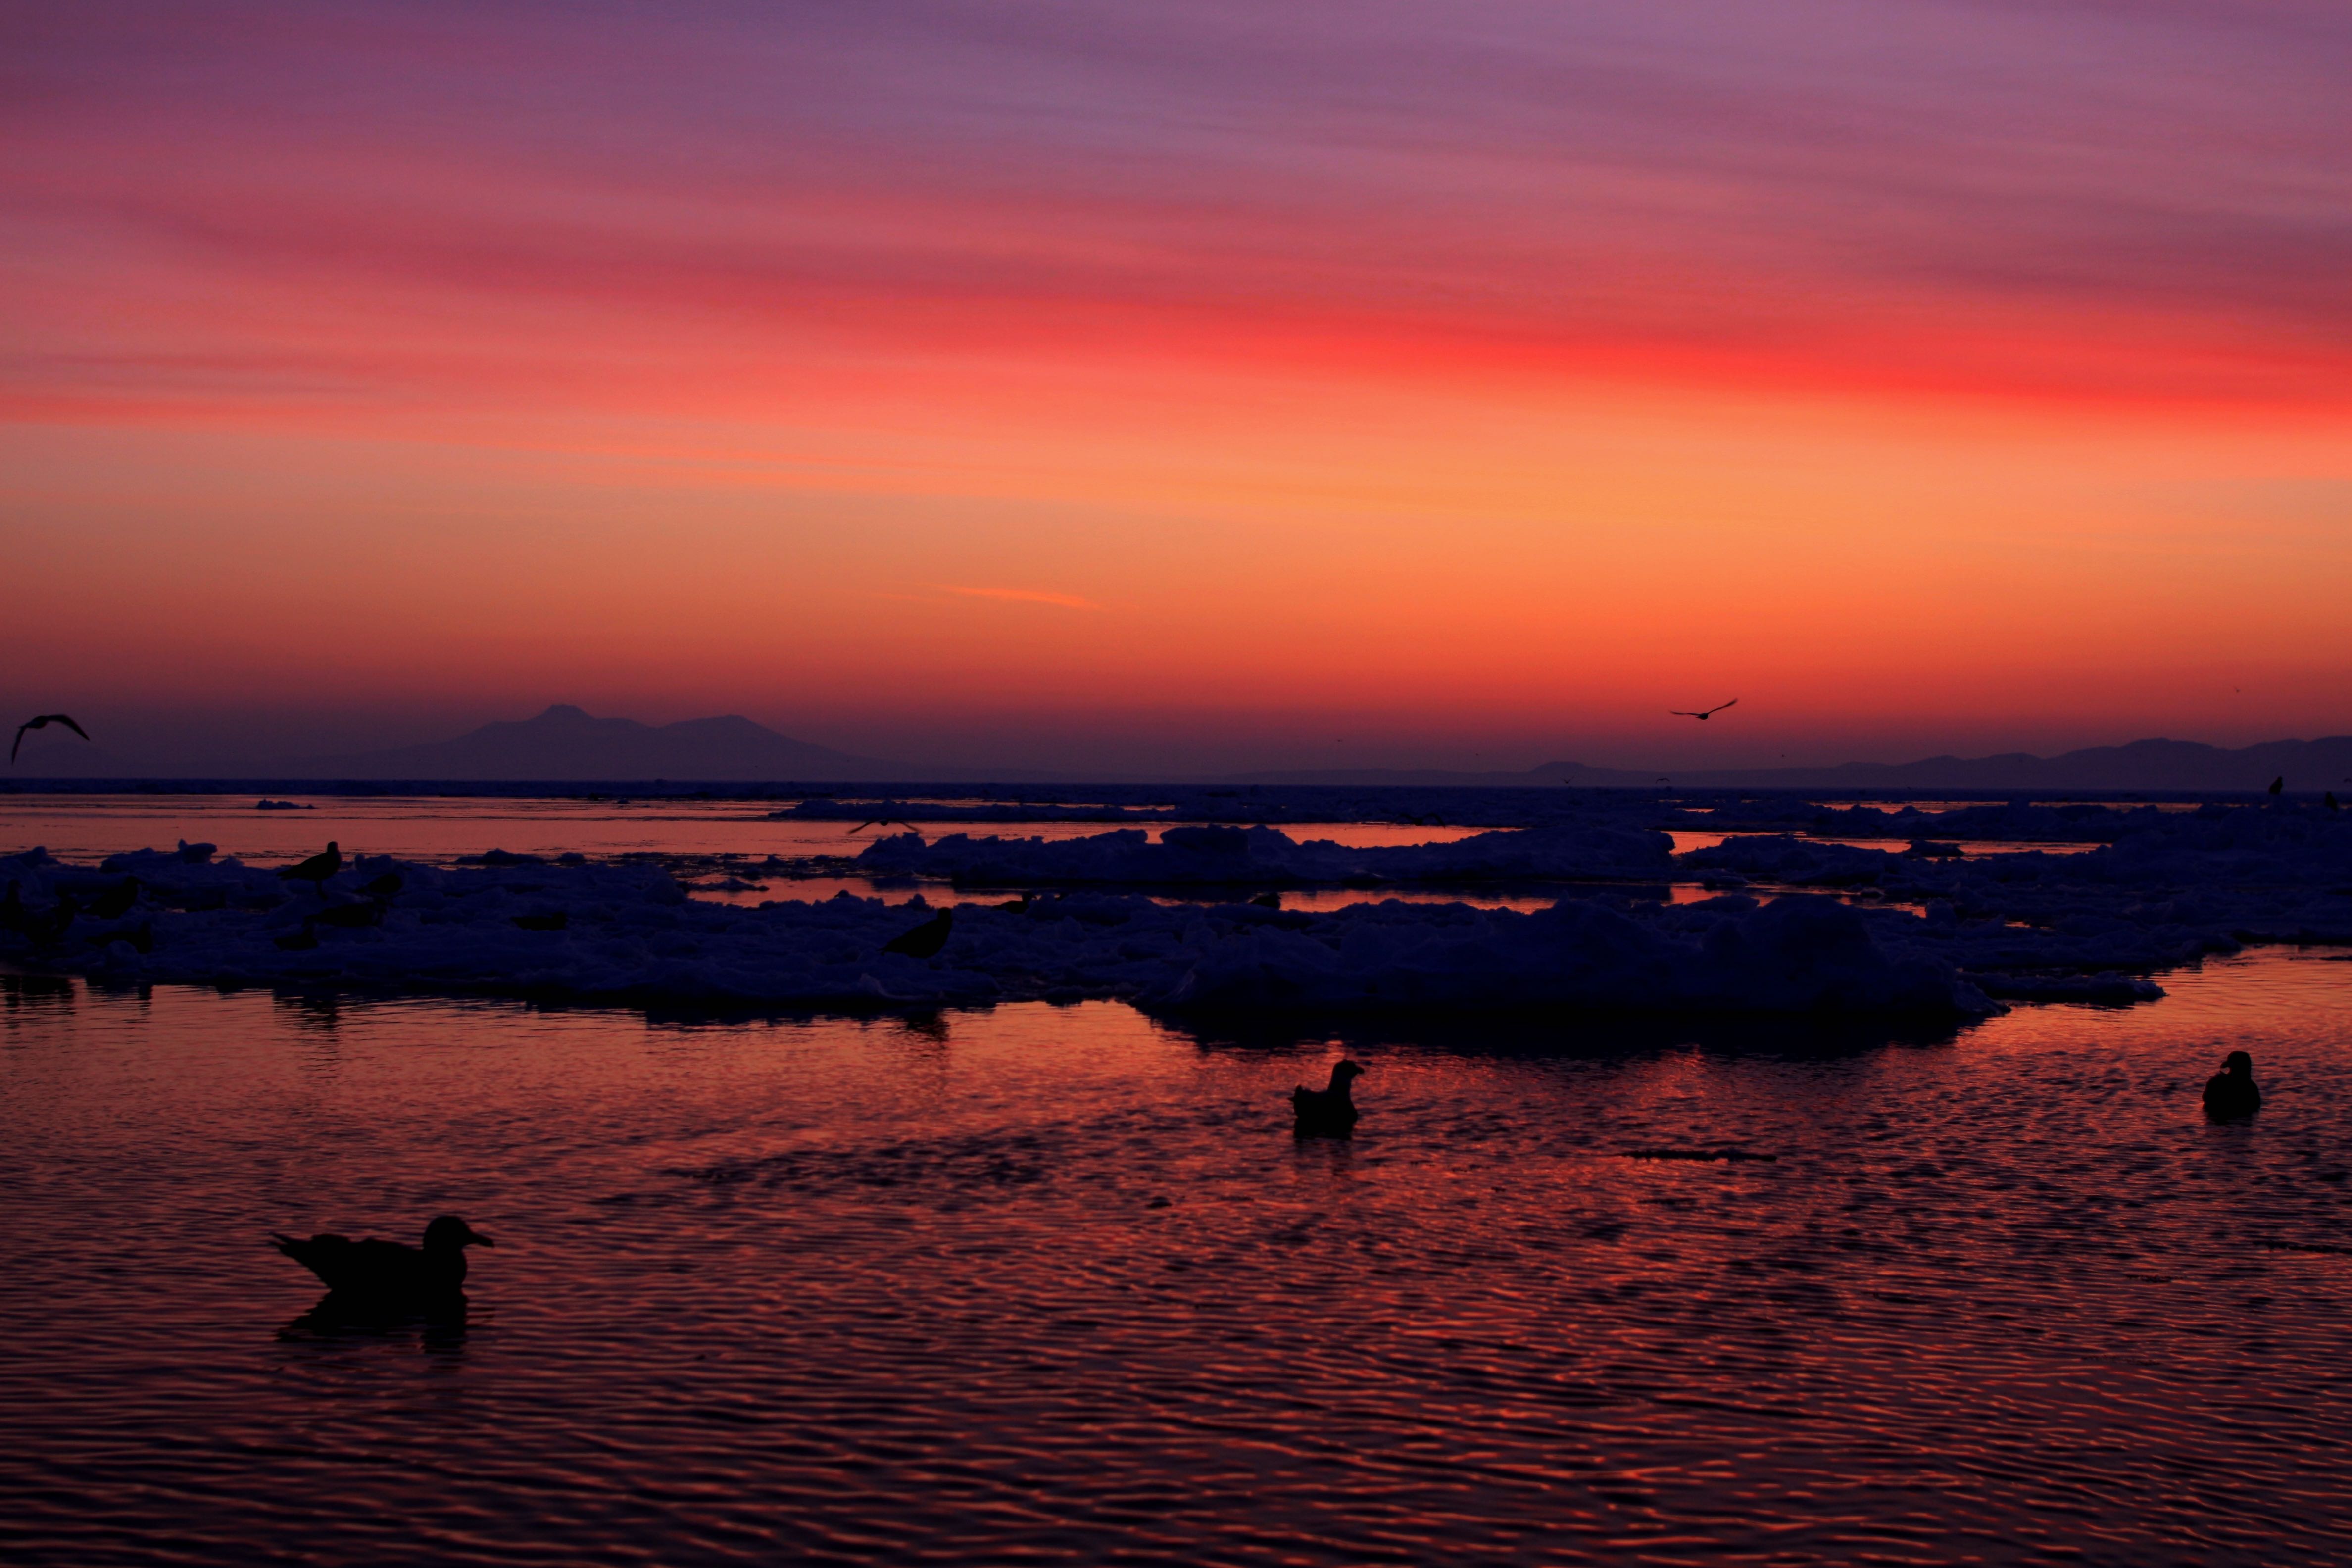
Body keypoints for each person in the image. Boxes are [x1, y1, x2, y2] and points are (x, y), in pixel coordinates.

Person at [2202, 1050, 2261, 1119]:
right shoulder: (2251, 1088)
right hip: (2242, 1119)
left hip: (2218, 1119)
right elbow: (2256, 1105)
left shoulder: (2217, 1082)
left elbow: (2207, 1099)